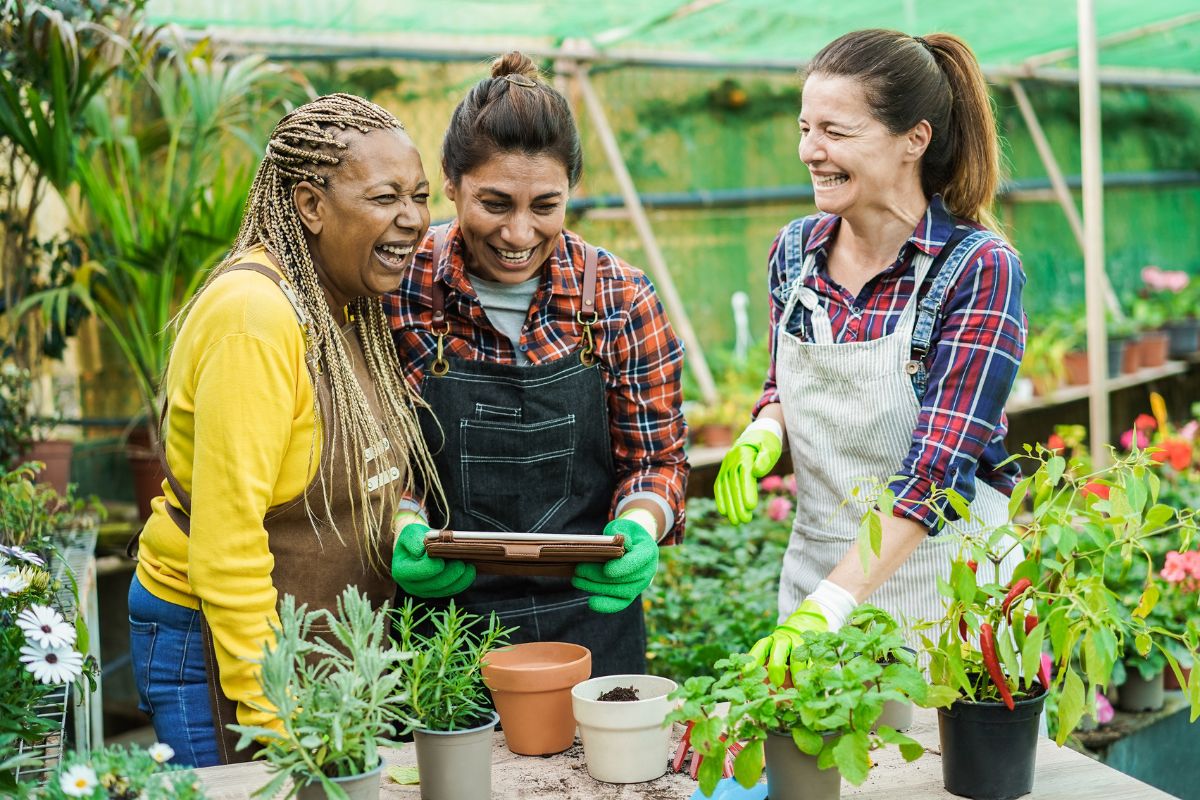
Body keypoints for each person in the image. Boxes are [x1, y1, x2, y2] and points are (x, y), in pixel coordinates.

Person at [128, 94, 442, 766]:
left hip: (313, 640)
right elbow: (228, 546)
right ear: (310, 206)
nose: (413, 219)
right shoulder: (255, 318)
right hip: (218, 645)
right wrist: (277, 717)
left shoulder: (346, 302)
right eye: (386, 196)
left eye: (419, 195)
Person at [713, 29, 1027, 684]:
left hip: (944, 592)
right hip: (819, 572)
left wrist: (829, 606)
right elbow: (782, 384)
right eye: (805, 128)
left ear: (913, 139)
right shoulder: (794, 252)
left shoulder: (977, 269)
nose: (809, 151)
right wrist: (762, 431)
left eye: (835, 131)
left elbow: (938, 470)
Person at [385, 52, 688, 677]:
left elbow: (655, 461)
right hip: (440, 628)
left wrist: (640, 524)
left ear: (571, 190)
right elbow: (365, 456)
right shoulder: (397, 292)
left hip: (590, 622)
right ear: (450, 181)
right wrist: (400, 522)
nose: (519, 234)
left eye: (545, 205)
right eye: (495, 204)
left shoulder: (619, 299)